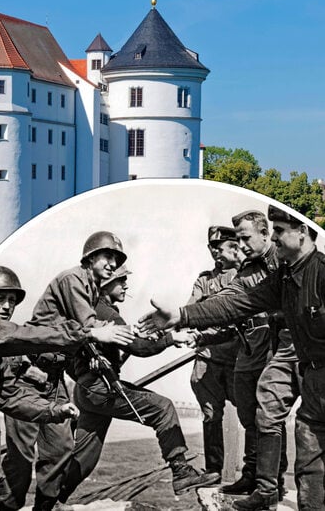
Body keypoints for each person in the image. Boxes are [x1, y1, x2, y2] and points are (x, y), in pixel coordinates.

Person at [2, 231, 216, 511]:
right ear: (91, 259)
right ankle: (181, 471)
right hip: (30, 375)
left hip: (56, 380)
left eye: (117, 261)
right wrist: (167, 337)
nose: (116, 269)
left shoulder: (92, 296)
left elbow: (78, 338)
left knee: (74, 456)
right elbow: (103, 332)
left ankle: (47, 505)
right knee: (20, 463)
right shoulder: (78, 286)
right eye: (109, 260)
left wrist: (89, 358)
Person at [139, 205, 325, 510]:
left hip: (302, 359)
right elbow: (235, 303)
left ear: (302, 231)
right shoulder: (282, 276)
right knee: (292, 432)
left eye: (279, 231)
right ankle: (267, 488)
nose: (274, 238)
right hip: (298, 362)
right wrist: (182, 315)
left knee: (308, 438)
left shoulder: (317, 270)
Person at [0, 265, 135, 508]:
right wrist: (89, 334)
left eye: (12, 300)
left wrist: (55, 410)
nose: (7, 306)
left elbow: (11, 397)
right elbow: (24, 336)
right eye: (0, 299)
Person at [55, 265, 219, 503]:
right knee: (163, 408)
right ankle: (181, 472)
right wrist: (171, 338)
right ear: (105, 284)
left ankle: (49, 500)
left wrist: (85, 373)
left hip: (87, 391)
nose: (126, 285)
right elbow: (139, 348)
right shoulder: (103, 310)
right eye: (121, 280)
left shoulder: (91, 310)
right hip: (101, 388)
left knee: (84, 459)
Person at [215, 211, 282, 497]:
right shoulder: (247, 270)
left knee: (269, 415)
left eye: (246, 238)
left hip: (276, 348)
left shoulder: (284, 258)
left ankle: (273, 479)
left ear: (265, 233)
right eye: (238, 240)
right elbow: (226, 298)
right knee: (247, 413)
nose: (241, 246)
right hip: (249, 349)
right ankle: (252, 474)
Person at [187, 225, 243, 477]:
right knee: (211, 414)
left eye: (219, 247)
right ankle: (213, 470)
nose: (215, 252)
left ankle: (258, 472)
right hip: (208, 357)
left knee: (252, 413)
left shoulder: (243, 275)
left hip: (238, 358)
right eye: (211, 247)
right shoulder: (204, 279)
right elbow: (191, 309)